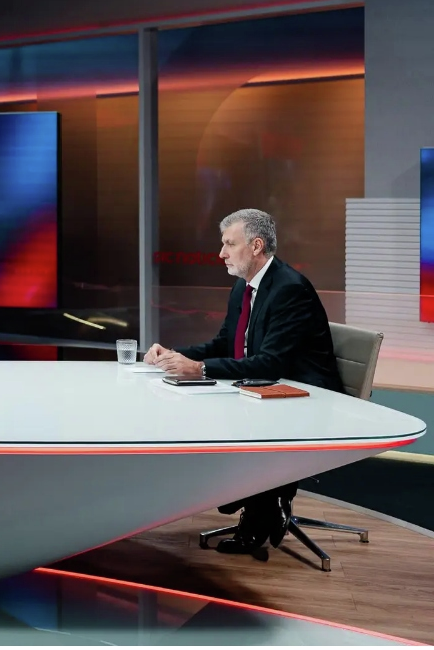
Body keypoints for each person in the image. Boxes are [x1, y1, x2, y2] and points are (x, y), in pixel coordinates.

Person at [143, 208, 342, 557]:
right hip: (261, 387)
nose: (221, 253)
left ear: (256, 246)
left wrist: (200, 369)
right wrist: (174, 355)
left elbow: (271, 362)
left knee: (231, 424)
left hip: (304, 396)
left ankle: (264, 504)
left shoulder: (289, 289)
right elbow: (225, 343)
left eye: (229, 244)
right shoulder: (243, 287)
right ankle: (254, 496)